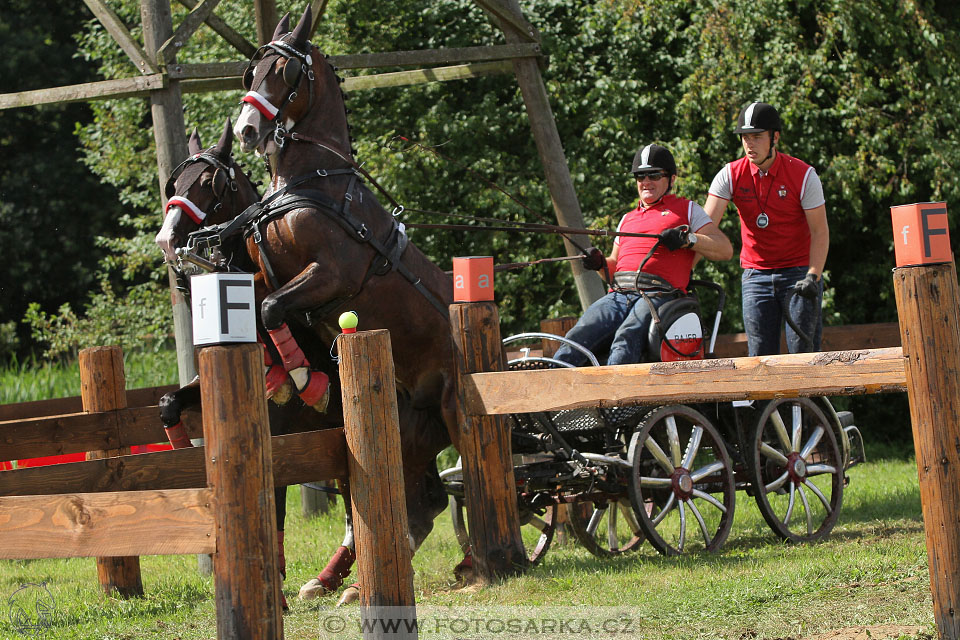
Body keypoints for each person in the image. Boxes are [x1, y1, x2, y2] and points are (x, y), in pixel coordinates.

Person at [553, 143, 733, 366]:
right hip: (619, 294)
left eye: (654, 175)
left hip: (660, 294)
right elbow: (613, 267)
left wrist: (688, 239)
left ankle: (618, 400)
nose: (646, 182)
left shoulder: (687, 209)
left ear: (672, 179)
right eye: (640, 176)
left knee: (626, 338)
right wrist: (599, 263)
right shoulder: (628, 218)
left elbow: (724, 249)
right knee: (575, 338)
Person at [703, 102, 829, 356]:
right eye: (745, 138)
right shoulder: (730, 174)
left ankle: (806, 399)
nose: (750, 144)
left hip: (799, 273)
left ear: (775, 137)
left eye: (757, 137)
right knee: (760, 357)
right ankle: (763, 400)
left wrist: (813, 276)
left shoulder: (804, 175)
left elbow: (820, 232)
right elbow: (705, 228)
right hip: (756, 275)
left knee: (803, 354)